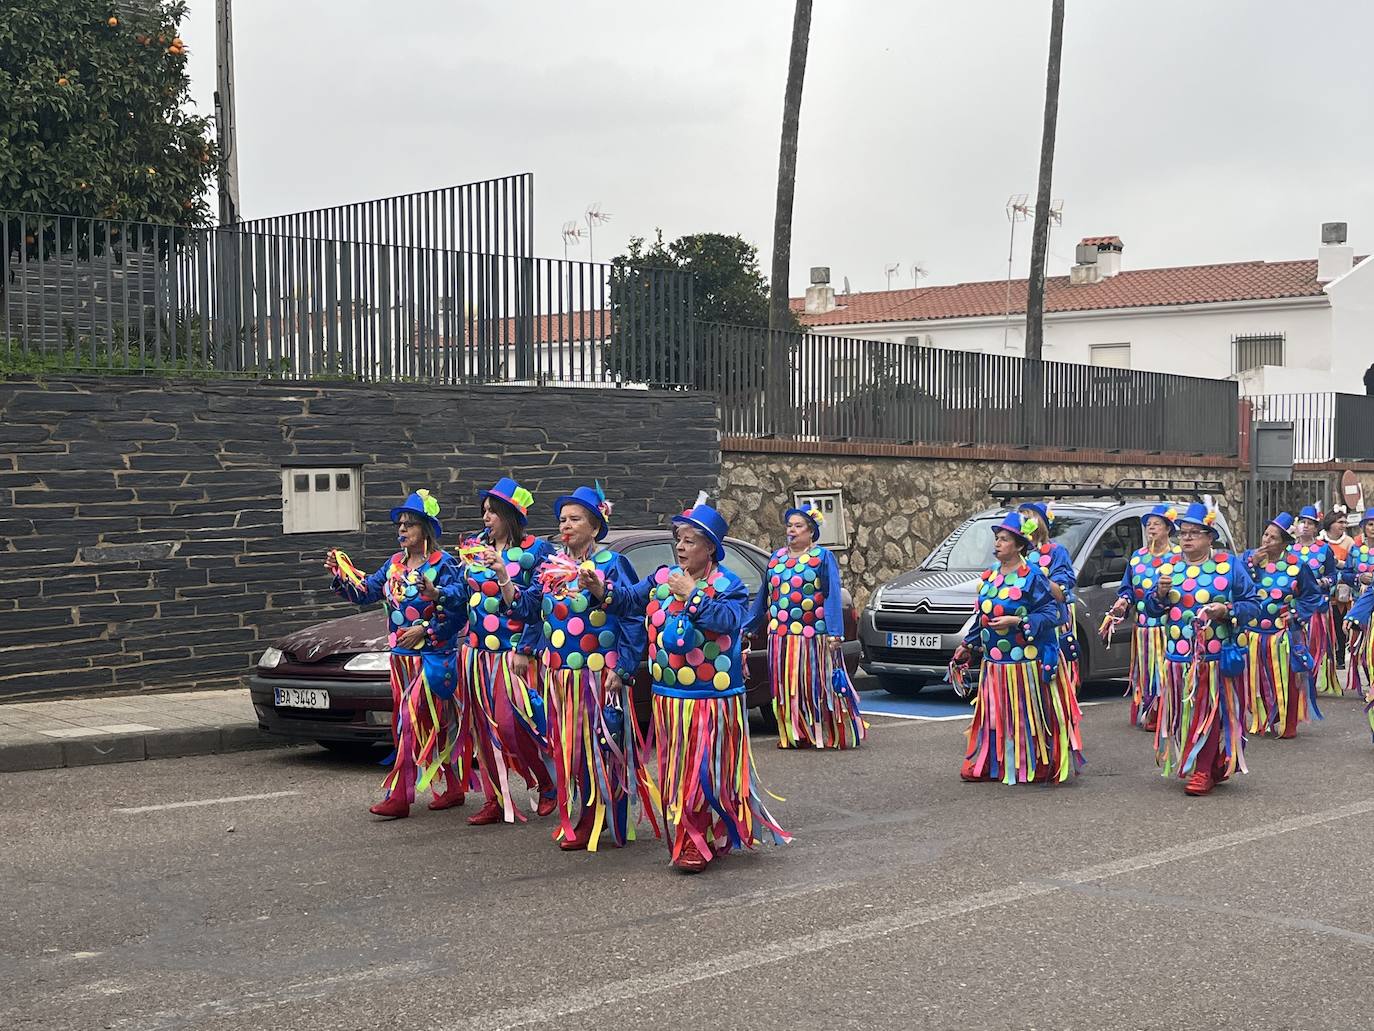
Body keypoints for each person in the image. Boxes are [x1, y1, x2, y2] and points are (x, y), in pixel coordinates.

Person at [596, 499, 789, 872]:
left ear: (711, 548)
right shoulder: (661, 578)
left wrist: (692, 593)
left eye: (689, 541)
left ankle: (697, 840)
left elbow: (728, 621)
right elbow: (626, 602)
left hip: (711, 701)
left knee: (703, 774)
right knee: (677, 773)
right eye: (679, 540)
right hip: (669, 699)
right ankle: (693, 836)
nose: (680, 547)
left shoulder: (728, 586)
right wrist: (599, 589)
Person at [508, 484, 653, 852]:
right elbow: (529, 611)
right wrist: (504, 582)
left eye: (575, 519)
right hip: (559, 676)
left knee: (600, 746)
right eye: (562, 519)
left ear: (595, 526)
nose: (566, 525)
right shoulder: (550, 566)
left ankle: (598, 816)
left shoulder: (610, 564)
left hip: (597, 676)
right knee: (570, 749)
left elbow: (632, 616)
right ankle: (591, 813)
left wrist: (621, 667)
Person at [327, 489, 472, 819]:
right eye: (400, 524)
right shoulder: (393, 565)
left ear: (426, 530)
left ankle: (401, 795)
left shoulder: (444, 565)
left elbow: (460, 608)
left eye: (409, 524)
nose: (402, 530)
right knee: (421, 725)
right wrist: (342, 573)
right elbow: (365, 593)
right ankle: (453, 787)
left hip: (434, 659)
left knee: (419, 724)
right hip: (402, 661)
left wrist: (426, 629)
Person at [433, 477, 557, 827]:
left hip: (513, 654)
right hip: (475, 655)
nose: (486, 517)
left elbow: (541, 606)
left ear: (511, 514)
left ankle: (546, 782)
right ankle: (494, 797)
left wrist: (526, 647)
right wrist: (436, 593)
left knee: (511, 725)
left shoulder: (537, 551)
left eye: (493, 512)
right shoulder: (473, 549)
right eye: (484, 511)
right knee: (482, 730)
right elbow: (459, 594)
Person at [1143, 498, 1260, 797]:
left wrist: (1227, 610)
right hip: (1177, 660)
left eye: (1194, 533)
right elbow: (1152, 609)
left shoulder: (1227, 565)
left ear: (1210, 537)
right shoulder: (1167, 567)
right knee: (1185, 717)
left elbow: (1253, 605)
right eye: (1183, 533)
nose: (1187, 538)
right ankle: (1210, 763)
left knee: (1208, 714)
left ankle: (1204, 770)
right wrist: (1158, 594)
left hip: (1212, 659)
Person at [952, 510, 1079, 784]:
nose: (997, 543)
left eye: (1005, 539)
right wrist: (968, 645)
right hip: (996, 664)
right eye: (997, 538)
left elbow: (1053, 614)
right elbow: (983, 616)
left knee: (1027, 713)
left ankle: (1038, 761)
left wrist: (1018, 620)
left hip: (1025, 665)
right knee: (994, 715)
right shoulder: (990, 578)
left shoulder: (1033, 576)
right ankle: (991, 761)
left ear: (1020, 545)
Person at [744, 499, 864, 750]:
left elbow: (831, 595)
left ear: (811, 531)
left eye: (798, 526)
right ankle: (792, 734)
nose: (792, 530)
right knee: (786, 688)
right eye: (789, 525)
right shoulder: (776, 558)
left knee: (814, 685)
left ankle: (824, 732)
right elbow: (765, 597)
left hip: (813, 637)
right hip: (780, 638)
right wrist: (748, 627)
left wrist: (834, 633)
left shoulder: (822, 557)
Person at [1240, 512, 1322, 739]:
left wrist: (1295, 614)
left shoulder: (1297, 565)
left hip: (1283, 634)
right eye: (1266, 535)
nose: (1266, 540)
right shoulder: (1249, 558)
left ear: (1285, 542)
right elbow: (1233, 583)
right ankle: (1261, 718)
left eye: (1273, 538)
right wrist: (1250, 564)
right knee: (1255, 680)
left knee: (1287, 678)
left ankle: (1288, 722)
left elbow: (1311, 595)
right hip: (1253, 633)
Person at [1107, 504, 1180, 732]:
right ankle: (1150, 710)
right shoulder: (1137, 558)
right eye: (1148, 524)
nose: (1151, 528)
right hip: (1143, 628)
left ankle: (1168, 712)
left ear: (1168, 528)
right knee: (1147, 671)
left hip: (1168, 628)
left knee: (1164, 670)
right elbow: (1127, 588)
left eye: (1156, 524)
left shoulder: (1178, 557)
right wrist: (1123, 601)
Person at [1018, 501, 1080, 692]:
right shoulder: (1018, 555)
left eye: (1026, 518)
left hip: (1049, 624)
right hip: (1022, 627)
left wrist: (1038, 574)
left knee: (1050, 686)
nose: (1022, 523)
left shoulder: (1056, 552)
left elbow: (1063, 590)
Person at [1293, 504, 1340, 694]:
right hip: (1294, 604)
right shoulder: (1289, 548)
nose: (1305, 526)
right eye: (1302, 522)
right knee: (1296, 642)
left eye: (1310, 523)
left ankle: (1310, 680)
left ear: (1316, 527)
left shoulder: (1324, 549)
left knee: (1313, 644)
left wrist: (1323, 582)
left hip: (1316, 606)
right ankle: (1295, 678)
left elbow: (1333, 575)